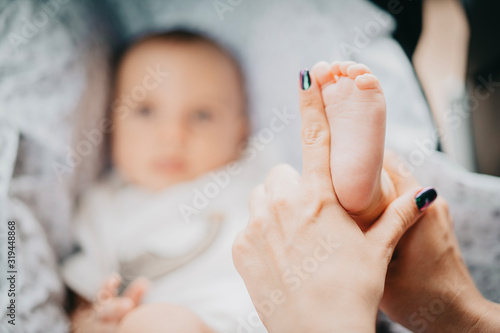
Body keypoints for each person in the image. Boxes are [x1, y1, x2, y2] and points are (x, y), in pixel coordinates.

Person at [232, 64, 500, 332]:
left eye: (202, 115)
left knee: (337, 217)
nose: (187, 134)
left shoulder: (248, 167)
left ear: (246, 124)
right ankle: (362, 199)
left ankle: (362, 200)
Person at [63, 28, 265, 333]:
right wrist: (96, 321)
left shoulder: (253, 175)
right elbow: (80, 309)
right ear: (109, 122)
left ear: (241, 130)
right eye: (145, 111)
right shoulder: (103, 208)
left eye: (202, 115)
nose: (172, 134)